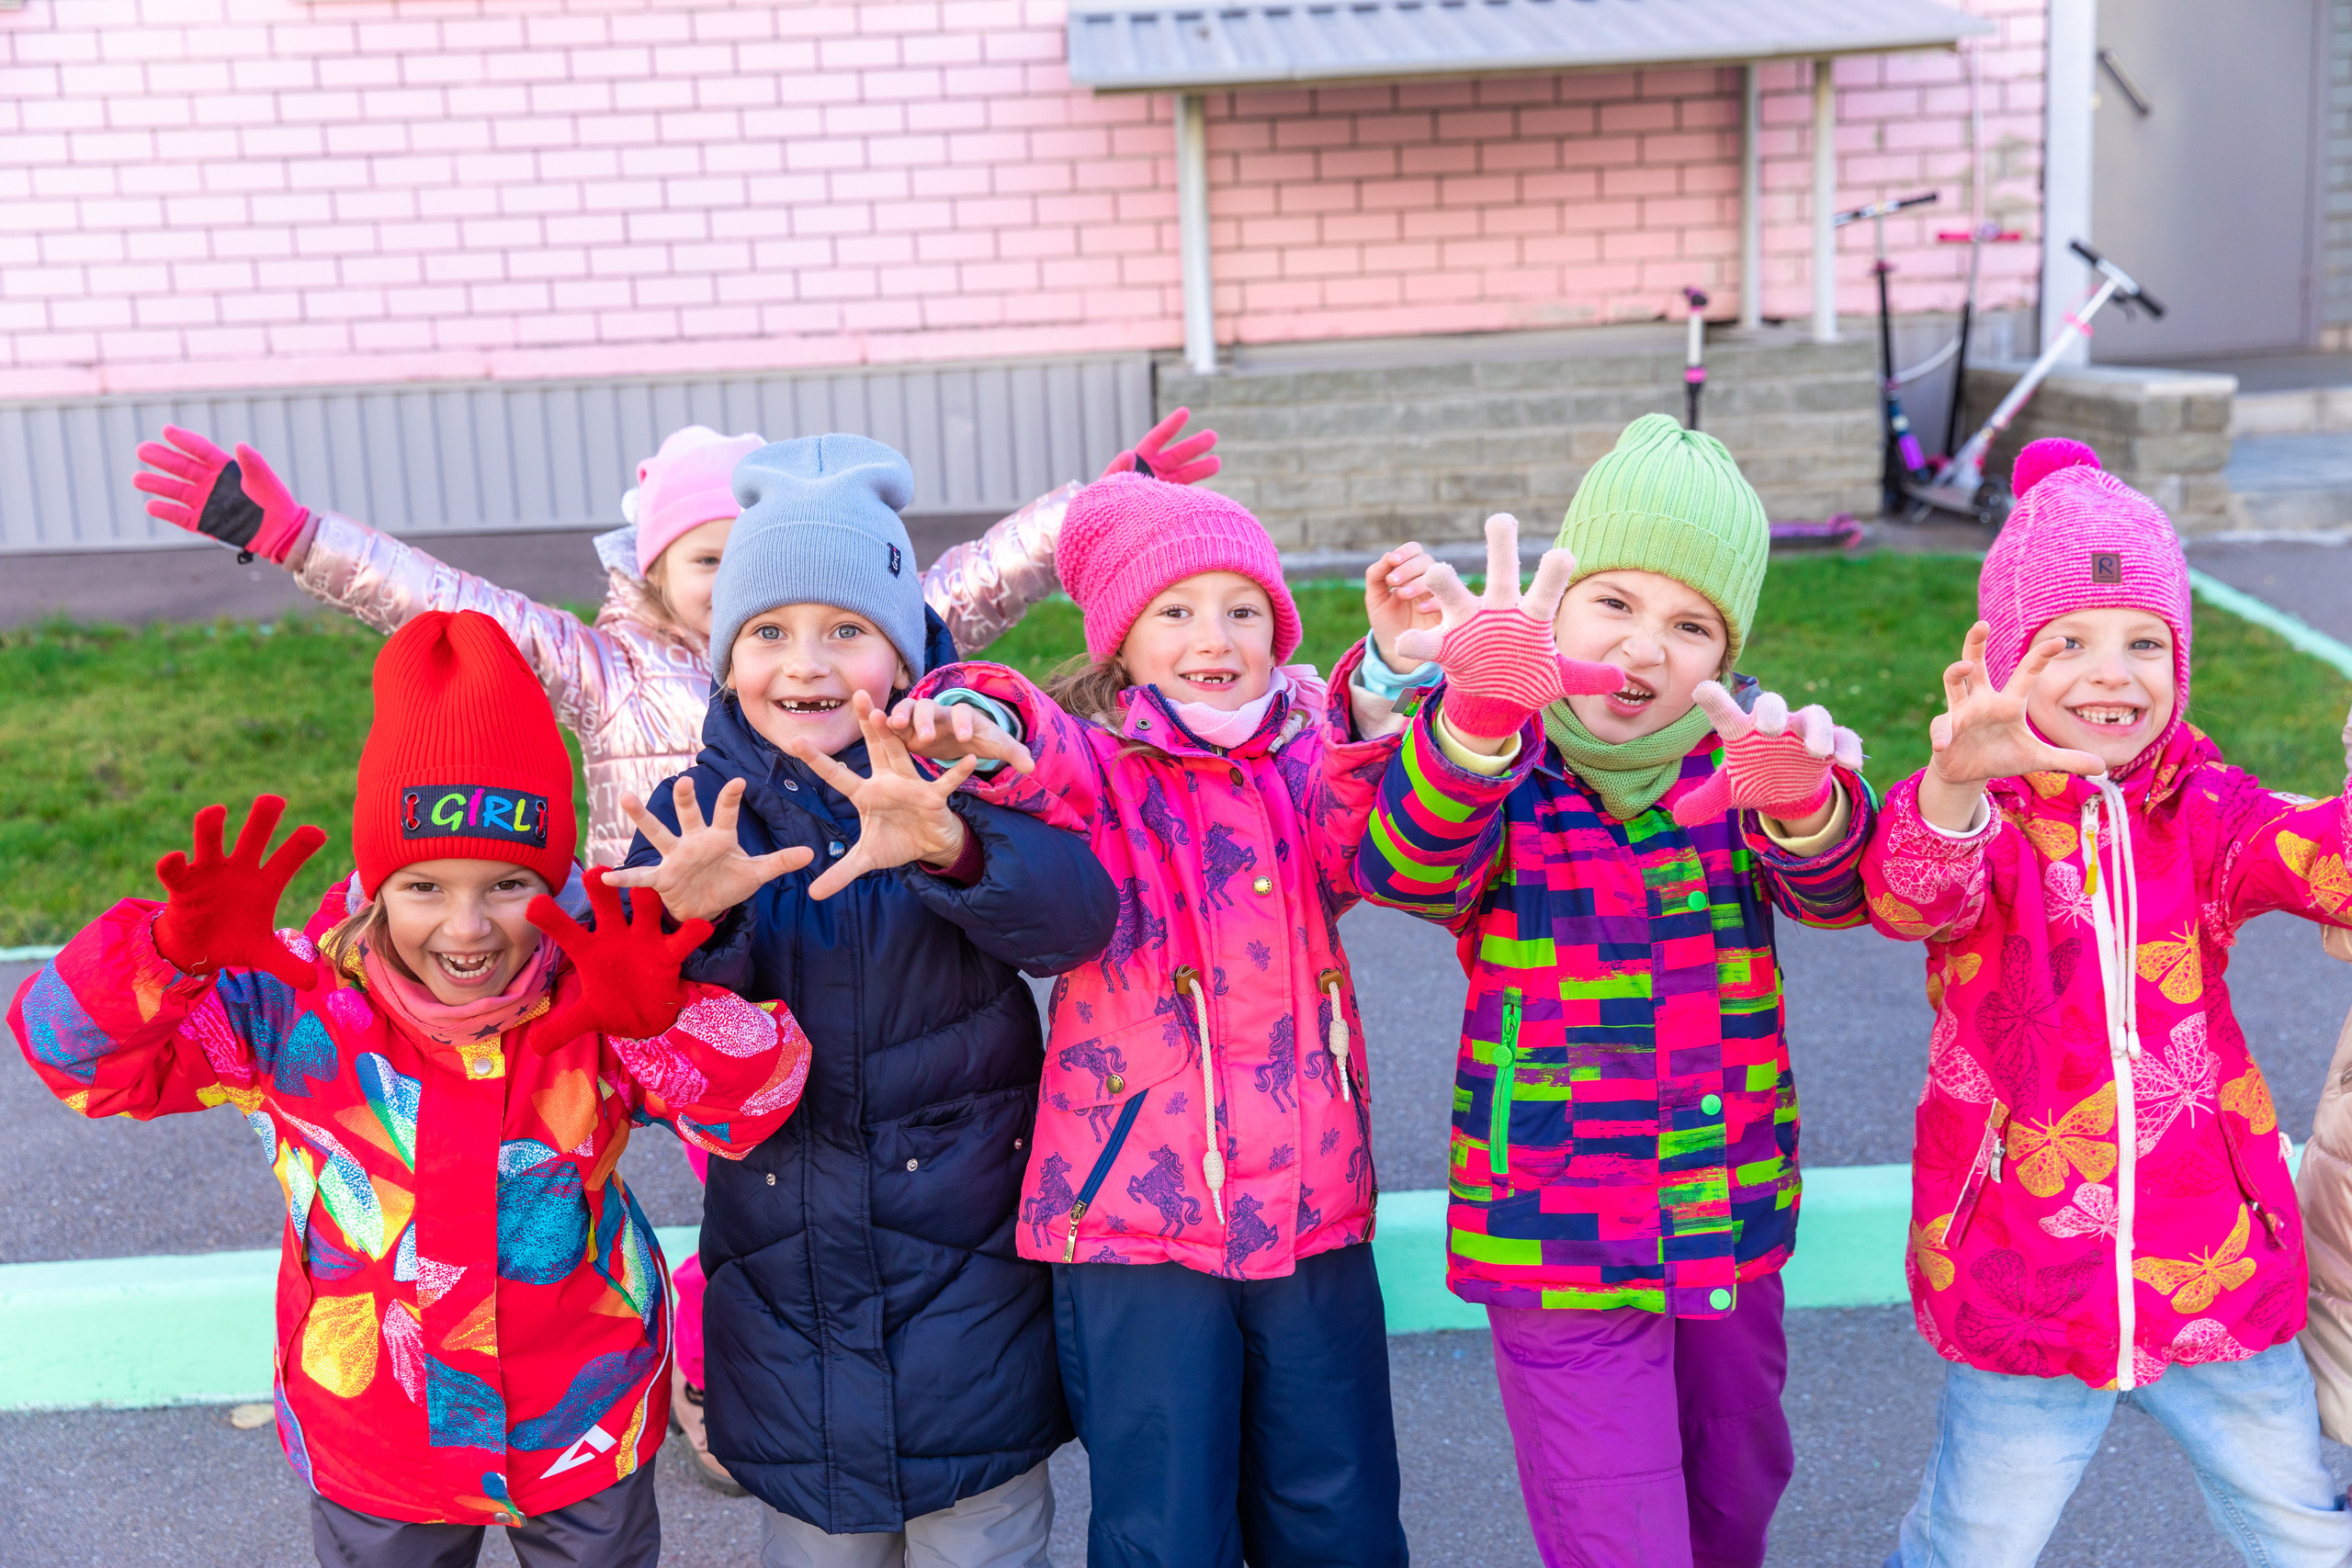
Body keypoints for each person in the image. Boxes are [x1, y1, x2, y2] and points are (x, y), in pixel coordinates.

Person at [132, 409, 1212, 1489]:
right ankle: (709, 1370)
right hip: (662, 993)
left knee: (870, 1215)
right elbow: (447, 604)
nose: (738, 591)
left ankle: (827, 1388)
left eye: (746, 558)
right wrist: (292, 535)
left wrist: (1107, 508)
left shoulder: (853, 646)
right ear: (652, 572)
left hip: (885, 991)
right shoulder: (605, 666)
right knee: (746, 1205)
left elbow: (987, 575)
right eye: (709, 562)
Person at [7, 609, 814, 1567]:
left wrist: (666, 1018)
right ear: (376, 886)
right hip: (377, 1434)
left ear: (556, 879)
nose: (467, 928)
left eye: (508, 884)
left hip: (581, 1416)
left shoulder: (595, 991)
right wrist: (163, 958)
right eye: (424, 886)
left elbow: (757, 1107)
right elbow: (76, 1060)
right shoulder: (289, 1005)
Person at [1351, 413, 1878, 1568]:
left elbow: (1843, 893)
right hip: (1555, 1226)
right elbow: (1405, 866)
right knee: (1617, 1531)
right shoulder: (1503, 761)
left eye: (1690, 626)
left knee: (1734, 1488)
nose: (1644, 650)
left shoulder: (1742, 758)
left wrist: (1808, 806)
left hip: (1724, 1208)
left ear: (1725, 655)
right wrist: (1473, 723)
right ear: (1558, 606)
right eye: (1614, 604)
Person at [897, 470, 1436, 1568]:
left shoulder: (1305, 758)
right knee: (1167, 1520)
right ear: (1121, 644)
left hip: (1312, 1205)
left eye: (1243, 610)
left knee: (1335, 1504)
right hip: (1136, 1223)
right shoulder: (1096, 767)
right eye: (1176, 610)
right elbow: (1025, 737)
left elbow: (1359, 817)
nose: (1214, 637)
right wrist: (977, 720)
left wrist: (1384, 674)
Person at [608, 434, 1119, 1568]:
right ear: (722, 654)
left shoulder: (960, 774)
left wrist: (954, 847)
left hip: (969, 1284)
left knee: (983, 1541)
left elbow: (1078, 924)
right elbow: (656, 1047)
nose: (808, 663)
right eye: (768, 632)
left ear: (904, 648)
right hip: (787, 1298)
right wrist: (691, 927)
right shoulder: (699, 816)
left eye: (847, 629)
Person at [1861, 438, 2352, 1568]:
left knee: (2300, 1533)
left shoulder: (2208, 809)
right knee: (1971, 1545)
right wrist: (1953, 782)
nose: (2112, 673)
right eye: (2067, 642)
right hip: (2022, 1276)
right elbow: (1904, 894)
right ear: (2002, 660)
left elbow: (2328, 865)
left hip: (2215, 1266)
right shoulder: (1979, 818)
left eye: (2144, 642)